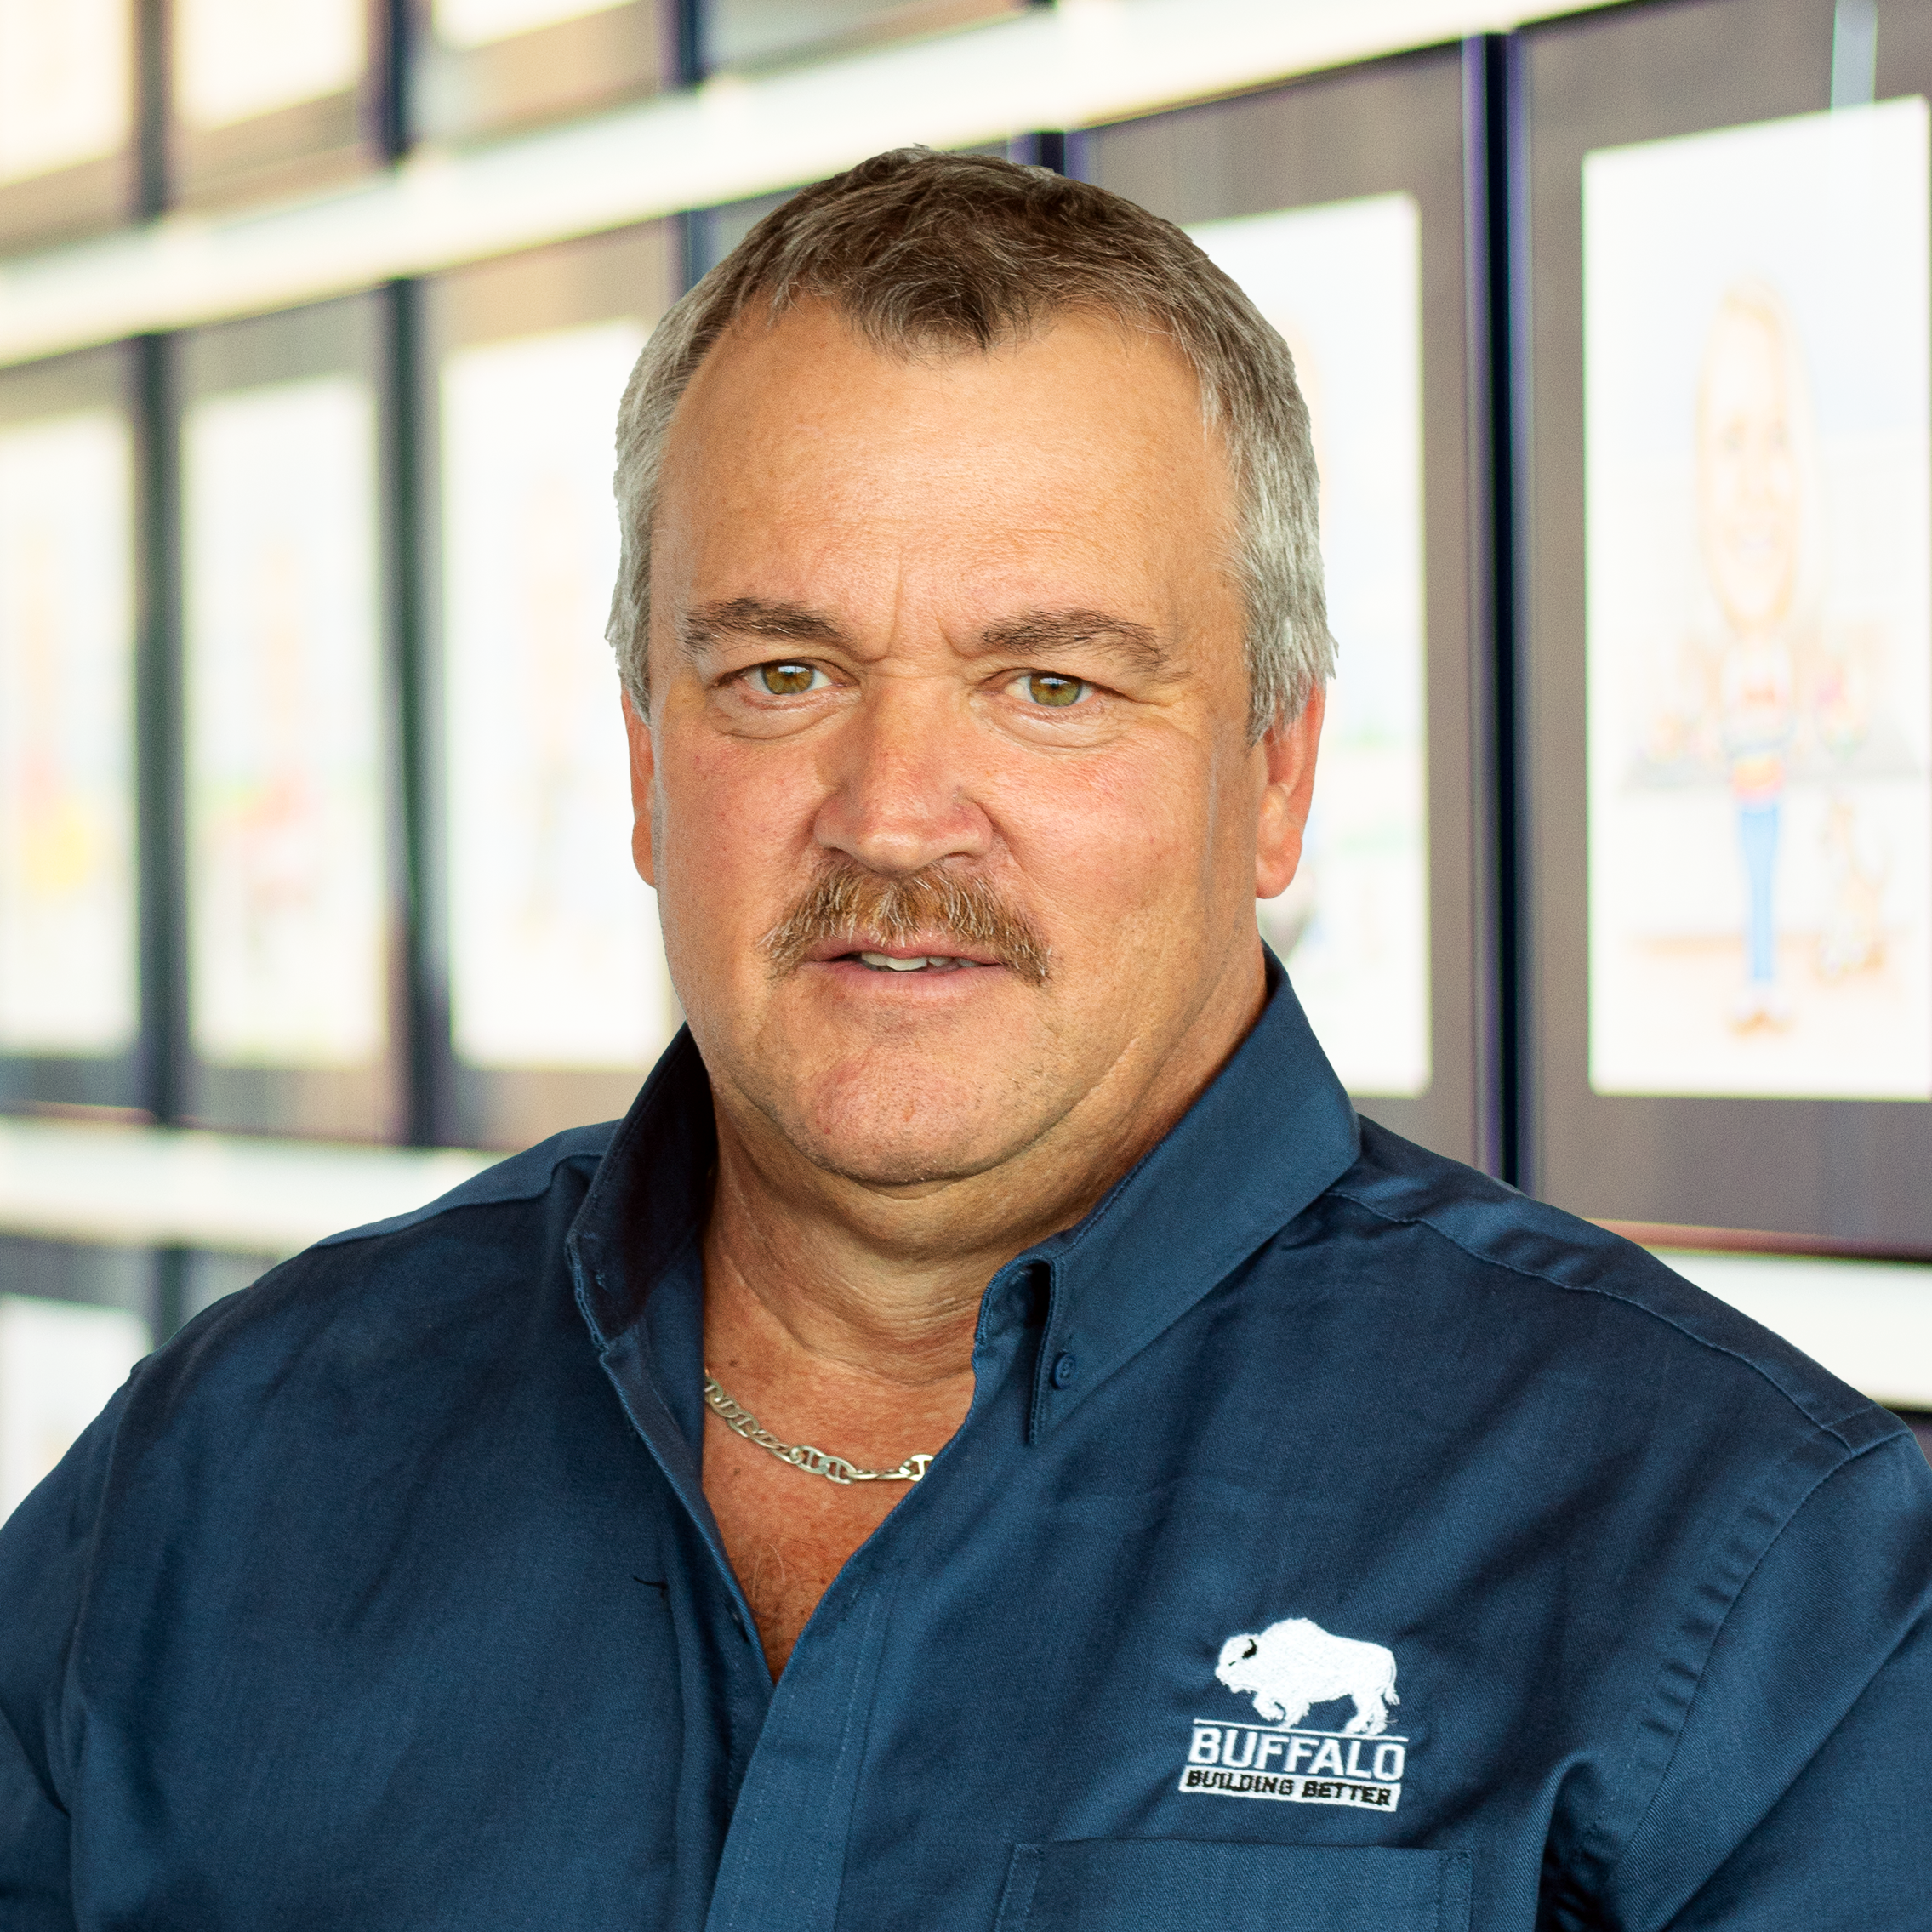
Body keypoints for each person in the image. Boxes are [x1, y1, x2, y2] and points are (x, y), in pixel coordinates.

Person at [3, 149, 1928, 1930]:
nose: (896, 810)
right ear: (649, 765)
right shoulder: (220, 1478)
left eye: (1047, 682)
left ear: (1275, 772)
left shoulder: (1740, 1581)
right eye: (782, 672)